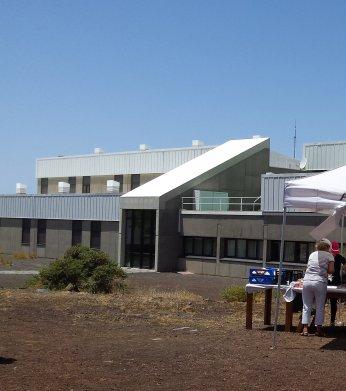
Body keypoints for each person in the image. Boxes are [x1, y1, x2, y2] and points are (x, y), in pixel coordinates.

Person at [301, 238, 334, 336]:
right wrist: (325, 271)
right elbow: (331, 270)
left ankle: (305, 329)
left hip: (307, 280)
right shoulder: (329, 256)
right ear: (328, 247)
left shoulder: (312, 254)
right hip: (319, 281)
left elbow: (308, 267)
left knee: (306, 305)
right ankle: (318, 329)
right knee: (320, 306)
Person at [329, 241, 346, 326]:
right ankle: (318, 322)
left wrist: (344, 269)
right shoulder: (328, 256)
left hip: (335, 282)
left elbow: (345, 263)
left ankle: (332, 321)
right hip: (328, 281)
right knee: (322, 301)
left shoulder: (339, 257)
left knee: (333, 302)